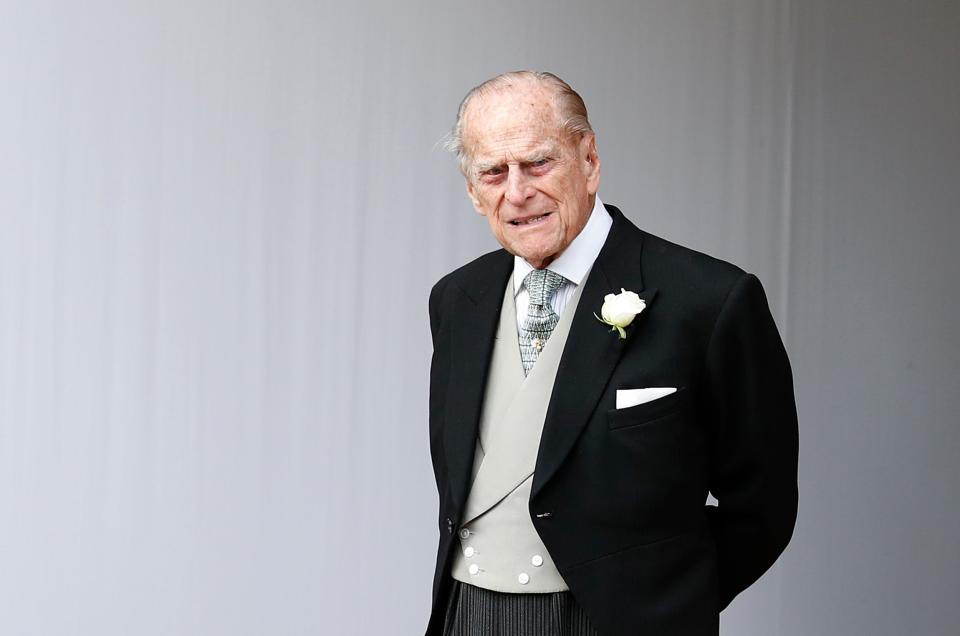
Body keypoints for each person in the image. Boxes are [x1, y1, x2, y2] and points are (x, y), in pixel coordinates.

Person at [426, 71, 798, 636]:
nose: (517, 191)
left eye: (538, 163)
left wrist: (665, 602)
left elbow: (764, 507)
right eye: (494, 172)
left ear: (590, 159)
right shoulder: (456, 300)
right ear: (473, 192)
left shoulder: (710, 300)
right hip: (468, 616)